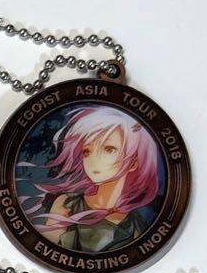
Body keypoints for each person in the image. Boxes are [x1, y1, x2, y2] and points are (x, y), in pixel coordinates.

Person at [23, 105, 163, 252]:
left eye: (109, 149)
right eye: (87, 151)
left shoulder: (137, 224)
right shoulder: (68, 204)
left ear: (133, 163)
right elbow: (47, 251)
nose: (93, 160)